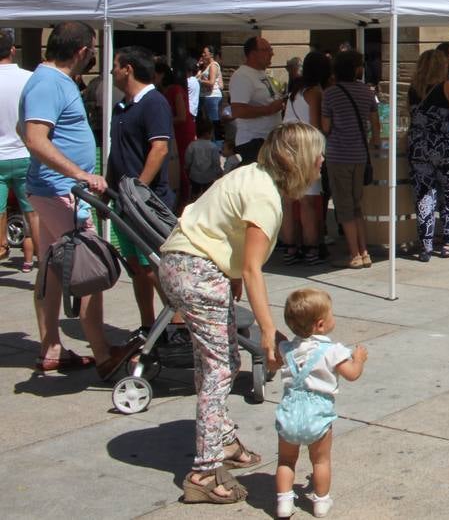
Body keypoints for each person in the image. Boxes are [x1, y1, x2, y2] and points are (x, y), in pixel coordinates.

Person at [159, 122, 325, 504]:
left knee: (219, 361)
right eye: (316, 153)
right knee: (220, 368)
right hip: (197, 270)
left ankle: (225, 442)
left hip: (186, 265)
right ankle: (203, 471)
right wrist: (268, 329)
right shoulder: (265, 195)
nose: (321, 160)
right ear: (295, 159)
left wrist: (231, 275)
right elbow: (252, 268)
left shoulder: (253, 175)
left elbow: (226, 232)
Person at [21, 21, 138, 378]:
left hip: (53, 189)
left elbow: (26, 131)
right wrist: (79, 174)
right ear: (82, 51)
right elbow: (34, 138)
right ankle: (103, 354)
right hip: (60, 192)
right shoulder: (48, 82)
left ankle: (51, 348)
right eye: (92, 50)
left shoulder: (48, 81)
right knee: (90, 268)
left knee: (53, 272)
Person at [274, 288, 368, 519]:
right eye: (331, 314)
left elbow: (276, 353)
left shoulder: (286, 349)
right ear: (320, 325)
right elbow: (352, 374)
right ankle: (321, 502)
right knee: (320, 461)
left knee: (286, 460)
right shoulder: (333, 351)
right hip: (318, 414)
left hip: (289, 412)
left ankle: (284, 502)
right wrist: (359, 359)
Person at [107, 45, 175, 332]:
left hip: (146, 203)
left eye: (115, 65)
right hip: (123, 201)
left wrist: (138, 191)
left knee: (156, 265)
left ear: (128, 69)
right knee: (136, 266)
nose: (111, 71)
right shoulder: (121, 106)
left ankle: (177, 323)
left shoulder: (154, 103)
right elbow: (117, 152)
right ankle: (149, 326)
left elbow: (159, 149)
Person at [407, 49, 449, 261]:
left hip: (419, 148)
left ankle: (425, 247)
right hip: (444, 149)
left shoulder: (413, 90)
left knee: (424, 195)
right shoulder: (448, 87)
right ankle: (448, 244)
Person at [321, 50, 379, 269]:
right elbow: (375, 125)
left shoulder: (330, 94)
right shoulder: (366, 92)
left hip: (338, 155)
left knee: (344, 206)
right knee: (356, 205)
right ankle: (364, 251)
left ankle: (354, 254)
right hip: (359, 155)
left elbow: (326, 127)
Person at [282, 51, 330, 265]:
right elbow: (315, 126)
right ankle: (311, 248)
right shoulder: (314, 92)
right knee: (308, 201)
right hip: (306, 148)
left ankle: (291, 247)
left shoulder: (295, 89)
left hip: (286, 146)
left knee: (290, 200)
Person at [0, 29, 37, 272]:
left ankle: (2, 247)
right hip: (25, 153)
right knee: (32, 212)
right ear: (13, 50)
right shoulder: (30, 78)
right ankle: (43, 258)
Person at [230, 36, 286, 164]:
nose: (272, 53)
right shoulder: (242, 76)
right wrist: (269, 109)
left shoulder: (261, 73)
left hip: (267, 142)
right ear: (253, 54)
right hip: (253, 143)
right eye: (267, 50)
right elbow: (238, 111)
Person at [155, 58, 194, 200]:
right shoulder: (166, 91)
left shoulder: (175, 90)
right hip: (174, 131)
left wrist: (161, 122)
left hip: (181, 132)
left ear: (161, 75)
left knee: (182, 166)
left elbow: (182, 116)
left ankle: (184, 199)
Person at [185, 113, 223, 201]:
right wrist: (219, 172)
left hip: (195, 175)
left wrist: (187, 168)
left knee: (194, 194)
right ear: (208, 133)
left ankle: (193, 206)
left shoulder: (192, 145)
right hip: (208, 177)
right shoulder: (213, 146)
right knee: (207, 195)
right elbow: (216, 162)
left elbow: (188, 160)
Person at [197, 45, 223, 139]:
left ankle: (217, 142)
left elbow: (211, 82)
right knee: (208, 121)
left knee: (213, 120)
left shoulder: (213, 66)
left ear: (211, 54)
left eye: (205, 53)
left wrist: (200, 81)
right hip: (206, 96)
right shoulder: (206, 66)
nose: (202, 54)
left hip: (212, 96)